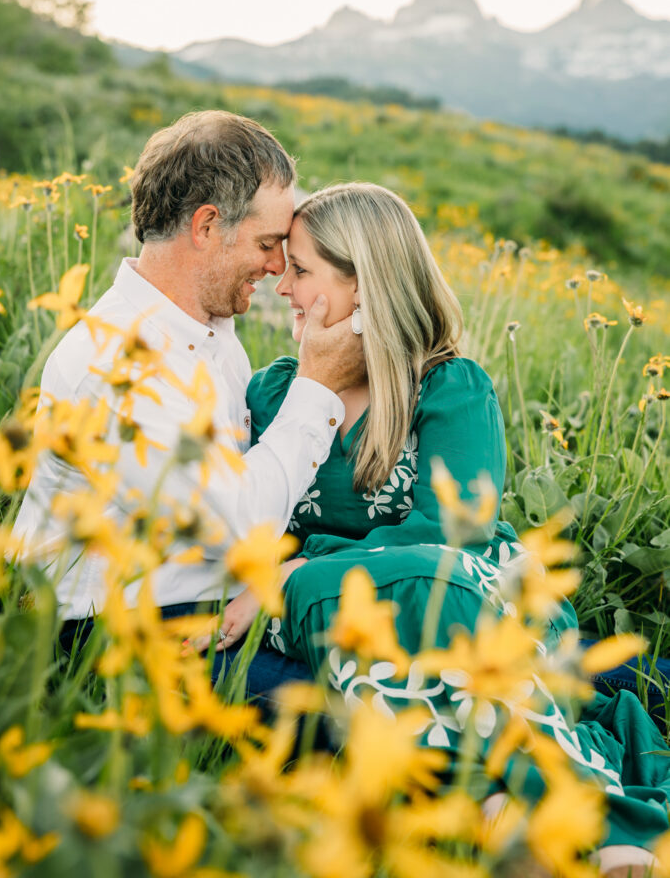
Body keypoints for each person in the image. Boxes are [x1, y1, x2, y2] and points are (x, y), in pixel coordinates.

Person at [220, 183, 668, 874]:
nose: (282, 286)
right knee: (385, 648)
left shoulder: (450, 387)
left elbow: (455, 536)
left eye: (301, 269)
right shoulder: (275, 391)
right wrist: (284, 573)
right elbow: (254, 518)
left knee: (436, 584)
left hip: (473, 601)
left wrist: (295, 572)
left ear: (365, 281)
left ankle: (564, 818)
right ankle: (537, 814)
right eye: (281, 265)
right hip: (334, 621)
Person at [14, 111, 364, 640]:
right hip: (112, 632)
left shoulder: (208, 333)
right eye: (268, 243)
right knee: (341, 718)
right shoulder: (122, 360)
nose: (276, 269)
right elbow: (239, 527)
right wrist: (317, 384)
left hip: (207, 610)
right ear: (205, 227)